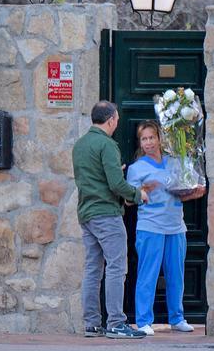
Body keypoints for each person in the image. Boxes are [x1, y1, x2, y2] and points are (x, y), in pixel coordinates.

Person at [72, 101, 149, 339]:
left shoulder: (81, 145)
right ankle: (116, 322)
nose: (117, 122)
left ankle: (92, 324)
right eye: (116, 118)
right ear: (111, 119)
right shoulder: (107, 144)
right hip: (106, 215)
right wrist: (138, 194)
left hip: (87, 213)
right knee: (116, 267)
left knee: (93, 269)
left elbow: (95, 177)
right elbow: (116, 184)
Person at [126, 120, 206, 336]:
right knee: (148, 274)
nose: (149, 142)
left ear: (160, 138)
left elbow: (181, 192)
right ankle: (143, 320)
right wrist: (142, 188)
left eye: (152, 137)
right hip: (150, 227)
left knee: (176, 275)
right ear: (140, 143)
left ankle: (177, 318)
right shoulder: (136, 169)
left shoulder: (175, 162)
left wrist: (194, 193)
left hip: (176, 227)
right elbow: (128, 201)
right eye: (144, 139)